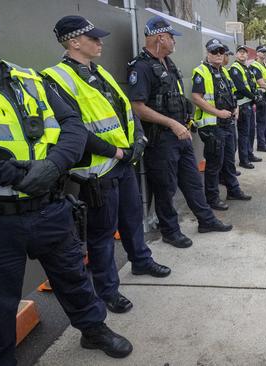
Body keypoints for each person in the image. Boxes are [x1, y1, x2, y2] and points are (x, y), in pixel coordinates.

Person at [0, 7, 132, 362]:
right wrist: (21, 176)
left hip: (50, 207)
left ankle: (94, 331)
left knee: (74, 279)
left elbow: (73, 126)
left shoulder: (26, 77)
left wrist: (52, 166)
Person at [44, 15, 171, 315]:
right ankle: (108, 291)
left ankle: (140, 260)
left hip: (123, 161)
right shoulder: (54, 78)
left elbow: (127, 110)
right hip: (99, 170)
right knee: (102, 235)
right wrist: (116, 152)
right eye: (93, 38)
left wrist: (138, 140)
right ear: (74, 42)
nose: (100, 42)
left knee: (132, 217)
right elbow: (75, 131)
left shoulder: (99, 72)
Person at [128, 17, 232, 249]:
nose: (174, 41)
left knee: (193, 181)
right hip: (161, 138)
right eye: (171, 37)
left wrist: (184, 122)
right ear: (160, 38)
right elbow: (138, 107)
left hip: (181, 134)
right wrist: (171, 124)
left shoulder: (168, 63)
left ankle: (206, 220)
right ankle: (170, 231)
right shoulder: (141, 67)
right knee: (165, 188)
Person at [191, 39, 252, 212]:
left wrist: (237, 107)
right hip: (212, 125)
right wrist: (218, 113)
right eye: (214, 52)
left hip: (227, 122)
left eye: (220, 52)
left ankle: (233, 190)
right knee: (214, 164)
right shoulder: (201, 71)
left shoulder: (224, 72)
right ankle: (212, 198)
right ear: (207, 53)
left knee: (229, 160)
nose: (218, 55)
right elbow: (196, 97)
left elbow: (233, 93)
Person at [229, 44, 262, 169]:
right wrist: (254, 97)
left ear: (247, 55)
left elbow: (251, 84)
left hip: (248, 104)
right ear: (236, 55)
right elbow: (241, 87)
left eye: (244, 52)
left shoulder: (245, 68)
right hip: (242, 104)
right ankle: (244, 159)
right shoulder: (235, 69)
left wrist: (256, 95)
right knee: (244, 133)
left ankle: (249, 154)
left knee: (250, 131)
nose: (242, 54)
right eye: (240, 52)